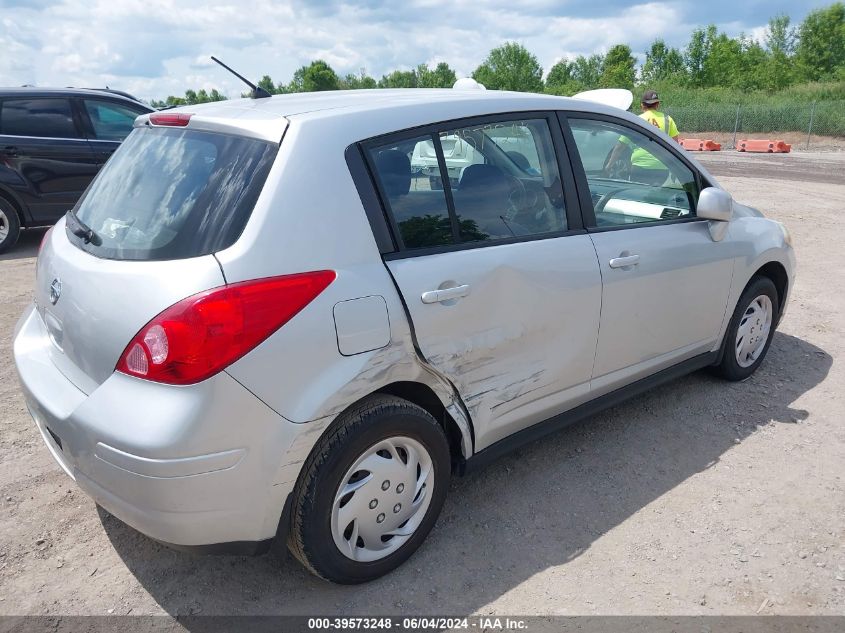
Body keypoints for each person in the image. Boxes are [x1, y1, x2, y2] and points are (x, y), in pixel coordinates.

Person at [603, 89, 680, 186]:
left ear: (642, 105)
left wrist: (609, 165)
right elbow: (675, 147)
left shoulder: (637, 120)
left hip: (640, 168)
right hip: (661, 168)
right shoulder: (668, 120)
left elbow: (620, 146)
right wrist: (676, 170)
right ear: (657, 105)